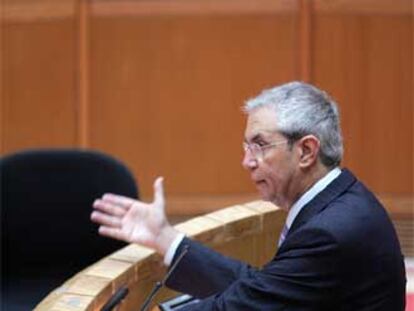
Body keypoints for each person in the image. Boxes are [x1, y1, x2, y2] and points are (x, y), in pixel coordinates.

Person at [91, 81, 406, 310]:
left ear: (307, 151)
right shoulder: (339, 203)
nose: (247, 162)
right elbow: (262, 291)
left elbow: (241, 307)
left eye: (261, 145)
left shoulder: (330, 233)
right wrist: (164, 237)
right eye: (247, 147)